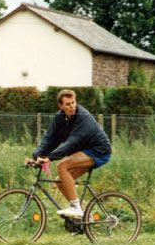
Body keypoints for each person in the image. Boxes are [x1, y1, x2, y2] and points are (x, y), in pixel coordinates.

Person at [24, 89, 111, 218]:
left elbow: (71, 144)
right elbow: (50, 139)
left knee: (62, 166)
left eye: (73, 102)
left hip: (98, 151)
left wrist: (50, 158)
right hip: (84, 151)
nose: (72, 106)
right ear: (60, 106)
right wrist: (36, 156)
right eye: (68, 104)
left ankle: (75, 207)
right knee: (60, 181)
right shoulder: (60, 118)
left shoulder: (83, 117)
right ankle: (84, 216)